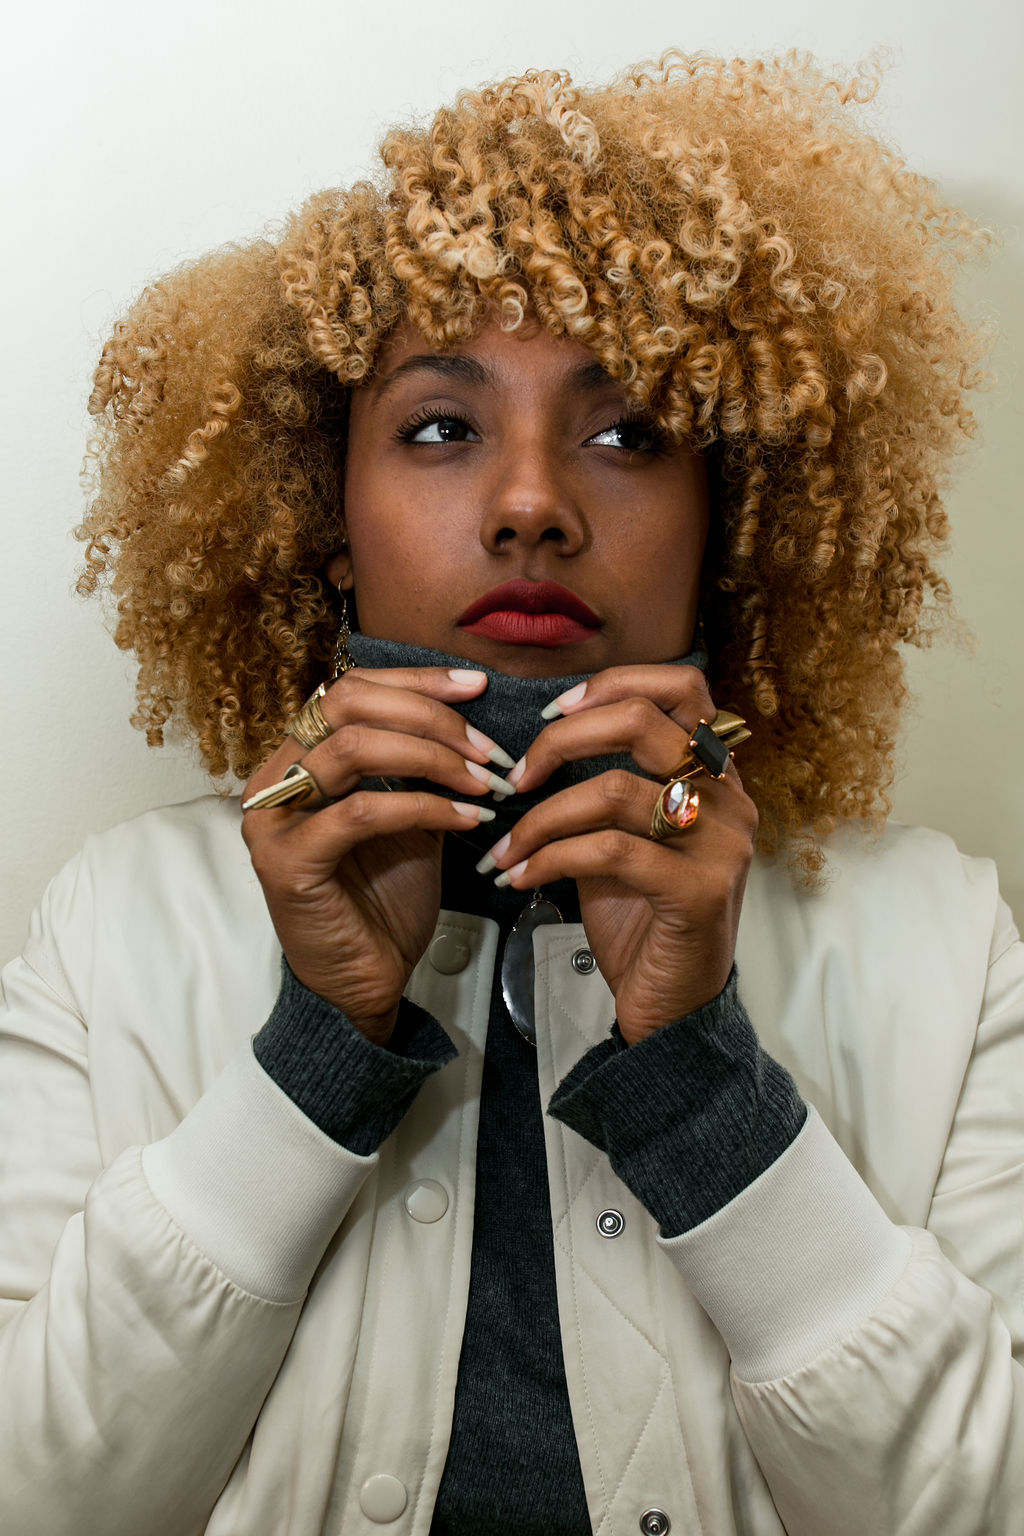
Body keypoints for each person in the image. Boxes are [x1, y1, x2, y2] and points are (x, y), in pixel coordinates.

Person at [1, 51, 1021, 1536]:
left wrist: (702, 1077)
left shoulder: (944, 938)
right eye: (438, 426)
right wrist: (314, 1053)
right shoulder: (115, 926)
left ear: (727, 523)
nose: (534, 500)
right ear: (324, 515)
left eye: (628, 434)